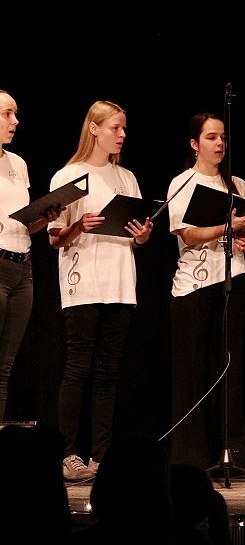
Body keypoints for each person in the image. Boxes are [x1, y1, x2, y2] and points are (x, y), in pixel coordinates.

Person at [48, 100, 153, 481]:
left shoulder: (127, 178)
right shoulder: (69, 175)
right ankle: (68, 454)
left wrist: (142, 236)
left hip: (120, 282)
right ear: (94, 128)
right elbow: (54, 237)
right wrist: (78, 226)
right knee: (79, 368)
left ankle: (102, 455)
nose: (122, 135)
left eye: (124, 128)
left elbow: (135, 234)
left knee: (108, 372)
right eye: (115, 128)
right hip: (84, 282)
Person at [167, 112, 245, 470]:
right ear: (194, 144)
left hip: (232, 280)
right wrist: (227, 227)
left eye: (222, 137)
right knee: (193, 371)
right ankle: (191, 458)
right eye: (211, 137)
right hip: (194, 284)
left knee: (229, 367)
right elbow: (188, 234)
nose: (220, 143)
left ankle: (230, 452)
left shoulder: (237, 184)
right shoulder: (182, 183)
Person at [0, 90, 60, 421]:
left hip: (22, 267)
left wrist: (45, 217)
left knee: (4, 366)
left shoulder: (17, 163)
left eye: (15, 113)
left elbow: (24, 225)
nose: (15, 121)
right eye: (7, 113)